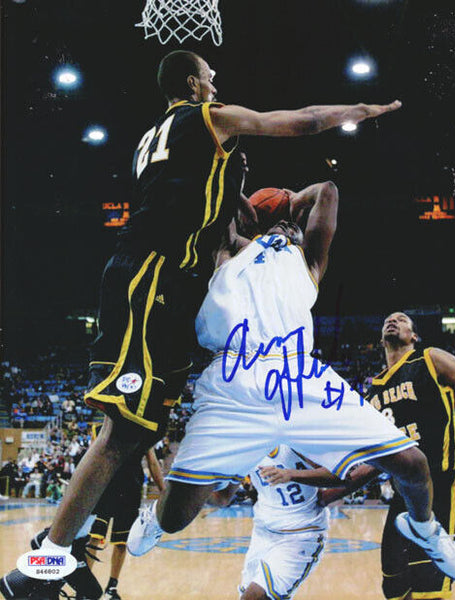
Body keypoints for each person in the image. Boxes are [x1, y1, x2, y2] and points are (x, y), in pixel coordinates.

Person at [0, 49, 401, 599]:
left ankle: (64, 544)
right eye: (210, 78)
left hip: (171, 289)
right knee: (124, 431)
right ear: (192, 84)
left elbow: (202, 203)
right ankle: (46, 558)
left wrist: (246, 195)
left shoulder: (157, 143)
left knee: (141, 430)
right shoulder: (203, 118)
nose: (216, 85)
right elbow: (301, 121)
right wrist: (361, 110)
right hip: (152, 277)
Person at [127, 180, 455, 585]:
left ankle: (424, 528)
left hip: (300, 374)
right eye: (280, 219)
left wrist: (290, 205)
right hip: (234, 378)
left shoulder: (308, 261)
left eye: (293, 223)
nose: (291, 226)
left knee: (412, 464)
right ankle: (155, 517)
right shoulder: (228, 252)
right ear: (250, 225)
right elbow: (218, 201)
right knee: (174, 518)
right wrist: (244, 197)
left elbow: (328, 191)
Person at [365, 312, 455, 600]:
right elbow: (373, 461)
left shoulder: (429, 359)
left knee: (428, 589)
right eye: (388, 319)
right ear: (381, 340)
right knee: (394, 587)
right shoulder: (372, 393)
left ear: (414, 336)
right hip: (404, 496)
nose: (393, 321)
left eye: (402, 319)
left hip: (448, 485)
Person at [214, 444, 332, 600]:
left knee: (254, 596)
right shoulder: (246, 448)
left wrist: (292, 474)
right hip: (263, 532)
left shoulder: (295, 443)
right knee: (246, 594)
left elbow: (340, 475)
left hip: (300, 533)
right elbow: (222, 499)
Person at [86, 425, 165, 600]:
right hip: (104, 488)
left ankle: (111, 588)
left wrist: (164, 491)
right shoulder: (100, 429)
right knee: (94, 538)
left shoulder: (145, 430)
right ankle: (85, 587)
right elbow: (91, 460)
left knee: (121, 542)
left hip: (130, 490)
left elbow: (152, 462)